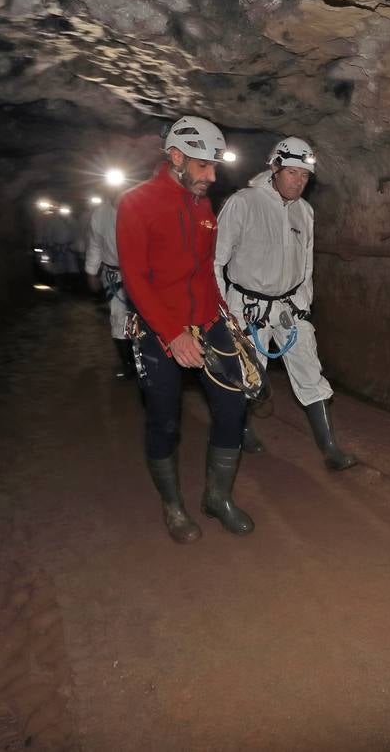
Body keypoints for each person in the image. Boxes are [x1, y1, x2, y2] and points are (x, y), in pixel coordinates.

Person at [116, 115, 254, 543]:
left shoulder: (202, 205)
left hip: (208, 322)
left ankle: (218, 497)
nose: (212, 177)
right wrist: (173, 334)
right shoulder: (136, 203)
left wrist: (226, 317)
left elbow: (204, 272)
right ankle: (173, 506)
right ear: (175, 157)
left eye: (215, 167)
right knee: (165, 421)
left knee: (233, 408)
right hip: (160, 328)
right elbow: (135, 279)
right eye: (202, 166)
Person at [214, 137, 358, 471]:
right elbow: (216, 260)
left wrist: (303, 305)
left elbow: (306, 264)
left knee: (311, 372)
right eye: (292, 173)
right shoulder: (244, 202)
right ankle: (243, 430)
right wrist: (222, 312)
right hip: (246, 306)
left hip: (289, 308)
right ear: (275, 168)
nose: (298, 181)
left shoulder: (305, 212)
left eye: (304, 176)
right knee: (249, 376)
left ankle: (330, 447)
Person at [84, 186, 133, 379]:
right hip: (114, 275)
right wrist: (91, 272)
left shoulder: (139, 207)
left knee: (145, 318)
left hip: (142, 275)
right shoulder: (100, 214)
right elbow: (95, 244)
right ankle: (128, 364)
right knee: (119, 318)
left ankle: (149, 361)